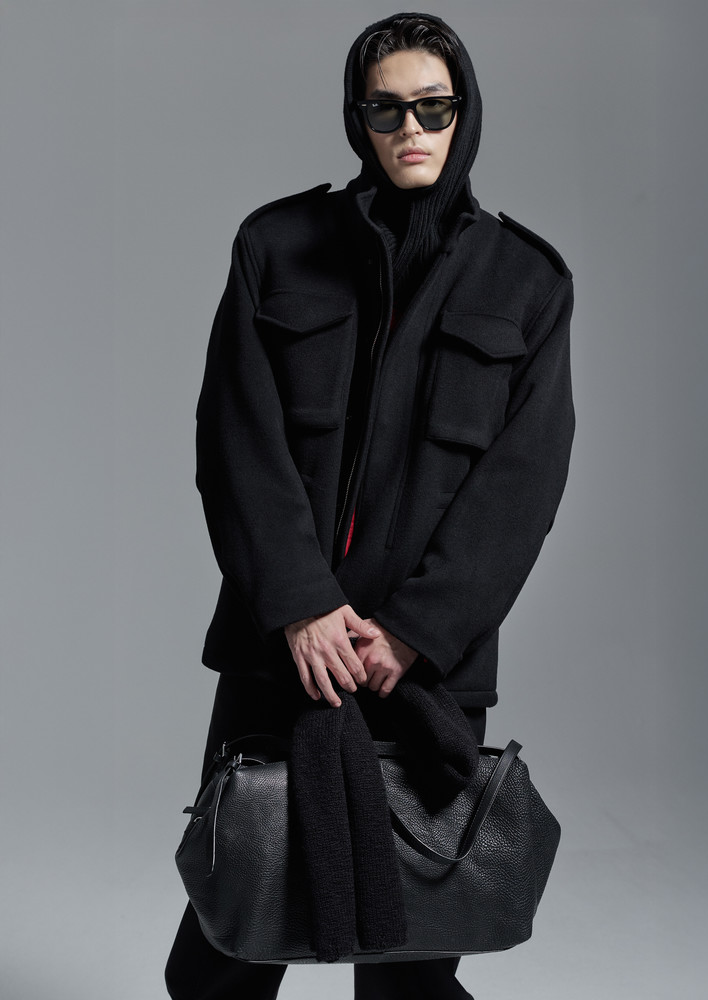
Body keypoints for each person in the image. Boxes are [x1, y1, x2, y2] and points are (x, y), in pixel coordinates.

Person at [165, 11, 574, 1000]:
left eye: (433, 106)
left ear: (465, 113)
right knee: (225, 954)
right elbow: (236, 440)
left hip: (424, 671)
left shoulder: (527, 280)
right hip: (282, 652)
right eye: (387, 110)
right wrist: (301, 605)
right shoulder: (276, 246)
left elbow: (523, 482)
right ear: (359, 119)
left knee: (413, 969)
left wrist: (413, 631)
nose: (411, 129)